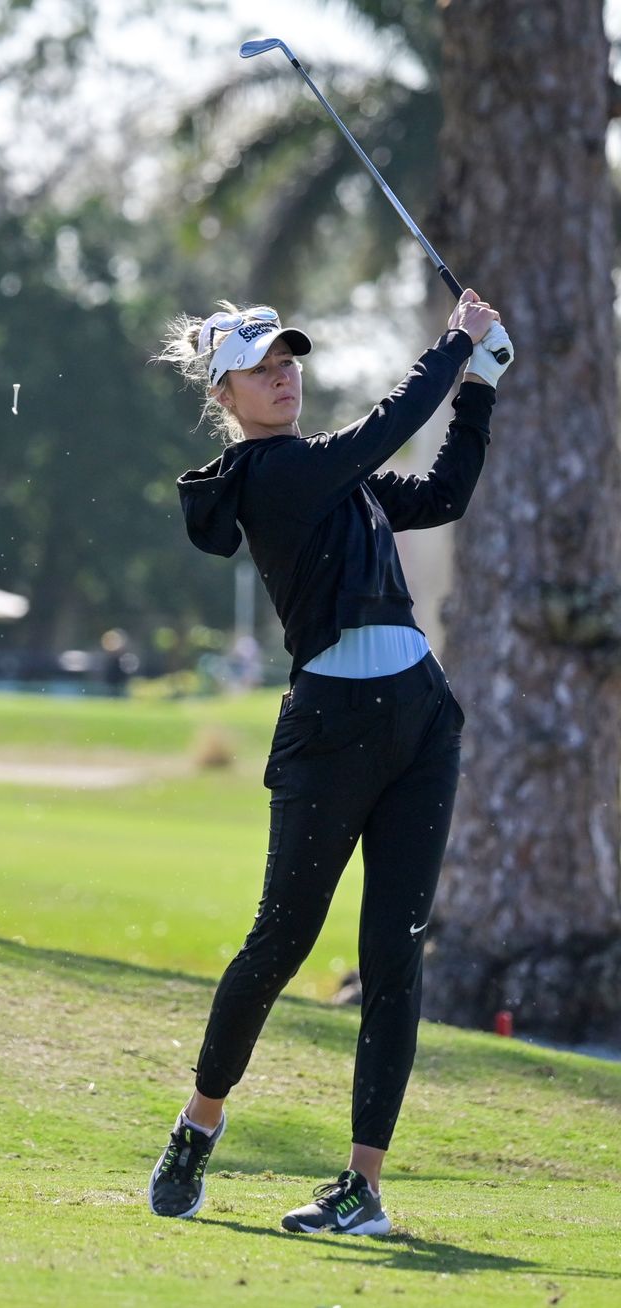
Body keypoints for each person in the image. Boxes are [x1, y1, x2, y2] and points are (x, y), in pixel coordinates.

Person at [148, 291, 514, 1235]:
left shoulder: (333, 477)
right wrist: (455, 344)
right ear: (225, 392)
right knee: (281, 941)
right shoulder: (271, 475)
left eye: (290, 360)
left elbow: (441, 496)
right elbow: (386, 423)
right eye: (263, 367)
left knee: (395, 958)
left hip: (421, 725)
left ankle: (364, 1188)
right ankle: (200, 1122)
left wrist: (481, 388)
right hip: (331, 730)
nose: (284, 376)